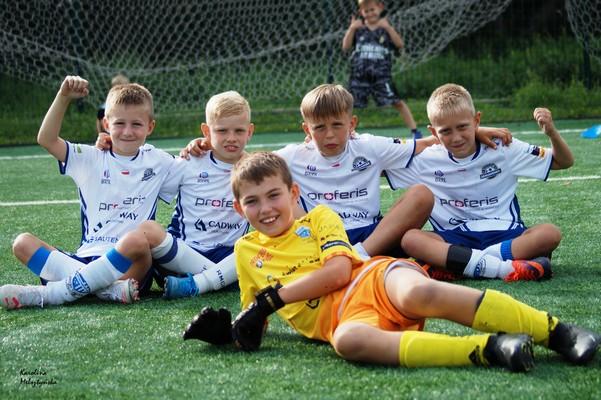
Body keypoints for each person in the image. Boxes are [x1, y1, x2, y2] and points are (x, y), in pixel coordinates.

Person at [182, 151, 599, 372]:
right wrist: (231, 334)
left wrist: (270, 301)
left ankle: (556, 332)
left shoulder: (320, 217)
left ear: (293, 194)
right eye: (252, 201)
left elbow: (338, 272)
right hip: (345, 320)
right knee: (348, 343)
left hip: (374, 279)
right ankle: (491, 349)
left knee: (418, 293)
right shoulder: (245, 252)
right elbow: (255, 320)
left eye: (274, 195)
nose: (266, 208)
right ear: (239, 208)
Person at [183, 84, 509, 261]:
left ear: (351, 124)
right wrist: (205, 145)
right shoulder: (293, 155)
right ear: (306, 129)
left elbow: (428, 141)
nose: (329, 135)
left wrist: (475, 131)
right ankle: (343, 258)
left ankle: (359, 257)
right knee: (285, 199)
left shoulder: (370, 146)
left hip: (372, 237)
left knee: (422, 195)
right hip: (321, 239)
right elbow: (248, 162)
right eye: (319, 128)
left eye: (337, 125)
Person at [0, 75, 177, 310]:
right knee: (22, 243)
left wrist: (198, 146)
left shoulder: (160, 161)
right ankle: (105, 290)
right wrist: (63, 97)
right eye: (119, 123)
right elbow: (46, 139)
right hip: (87, 259)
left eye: (136, 124)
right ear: (106, 124)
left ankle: (54, 293)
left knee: (138, 238)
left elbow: (196, 171)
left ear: (150, 127)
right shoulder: (90, 157)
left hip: (131, 267)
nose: (127, 131)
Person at [385, 83, 574, 281]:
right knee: (411, 239)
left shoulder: (504, 148)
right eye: (446, 131)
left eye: (462, 127)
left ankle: (461, 265)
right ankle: (503, 268)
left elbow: (563, 161)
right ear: (433, 132)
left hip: (506, 234)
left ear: (476, 120)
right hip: (455, 239)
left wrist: (551, 132)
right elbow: (377, 165)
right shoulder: (426, 159)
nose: (456, 137)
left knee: (549, 233)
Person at [105, 91, 254, 299]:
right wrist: (110, 148)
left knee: (258, 244)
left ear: (250, 131)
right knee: (149, 230)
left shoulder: (255, 170)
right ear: (206, 131)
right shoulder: (188, 162)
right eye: (221, 130)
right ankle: (220, 279)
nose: (231, 138)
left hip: (227, 255)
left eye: (239, 131)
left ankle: (200, 283)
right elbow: (141, 179)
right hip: (181, 258)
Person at [342, 0, 422, 139]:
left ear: (380, 8)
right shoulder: (358, 29)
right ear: (361, 12)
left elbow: (400, 44)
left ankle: (415, 131)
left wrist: (388, 28)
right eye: (366, 11)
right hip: (359, 76)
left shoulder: (385, 29)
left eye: (372, 9)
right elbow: (345, 47)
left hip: (381, 76)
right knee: (347, 104)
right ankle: (344, 132)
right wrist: (351, 28)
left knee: (397, 102)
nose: (370, 13)